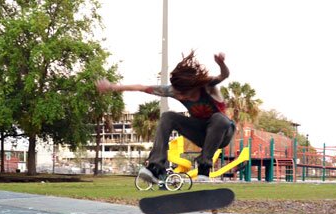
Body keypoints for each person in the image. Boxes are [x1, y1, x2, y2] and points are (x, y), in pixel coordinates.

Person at [96, 51, 235, 183]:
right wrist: (112, 87)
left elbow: (224, 75)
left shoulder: (207, 85)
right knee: (168, 117)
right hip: (200, 134)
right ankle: (156, 166)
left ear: (194, 87)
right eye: (177, 93)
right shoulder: (173, 90)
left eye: (184, 94)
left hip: (222, 134)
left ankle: (204, 166)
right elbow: (142, 87)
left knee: (219, 118)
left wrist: (221, 63)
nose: (179, 96)